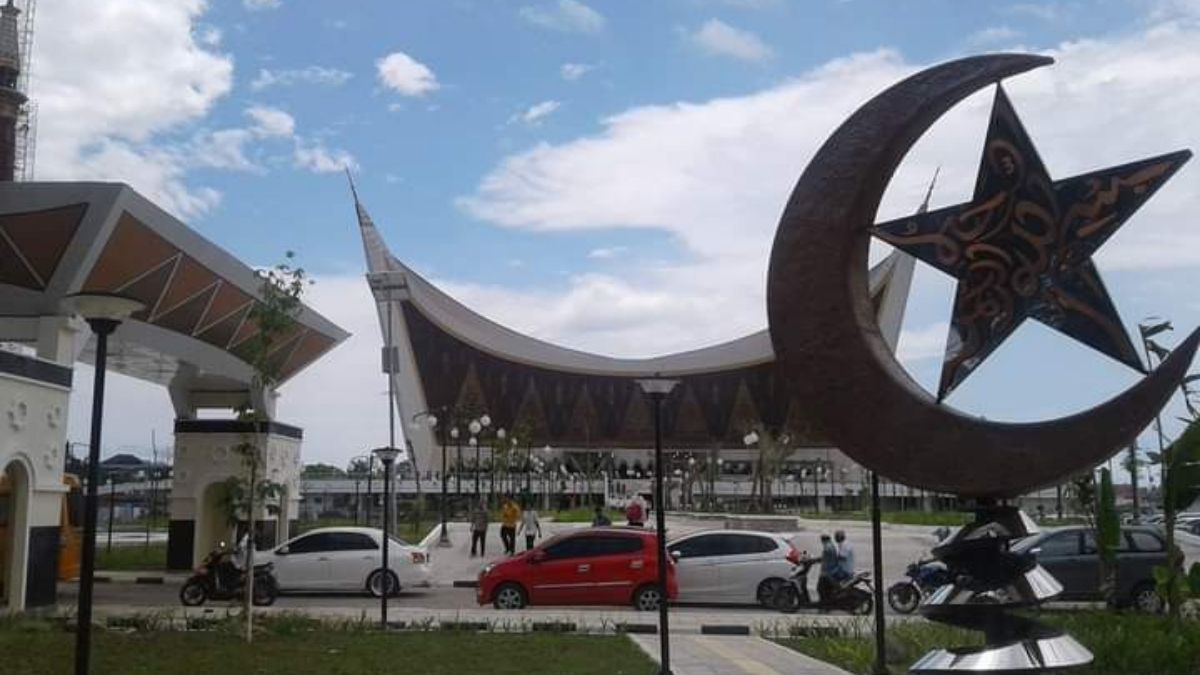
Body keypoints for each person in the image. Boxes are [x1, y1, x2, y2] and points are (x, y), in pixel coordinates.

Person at [817, 533, 839, 603]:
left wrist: (813, 560)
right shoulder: (831, 545)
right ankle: (827, 602)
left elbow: (824, 558)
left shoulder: (827, 547)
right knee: (827, 589)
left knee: (820, 588)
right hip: (832, 570)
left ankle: (824, 603)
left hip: (827, 572)